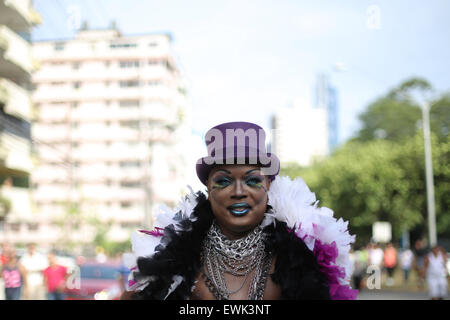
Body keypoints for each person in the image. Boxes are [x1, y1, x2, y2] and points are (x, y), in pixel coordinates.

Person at [121, 121, 357, 300]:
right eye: (223, 181)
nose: (238, 191)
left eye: (252, 181)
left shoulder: (302, 256)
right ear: (208, 189)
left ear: (268, 186)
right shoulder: (172, 258)